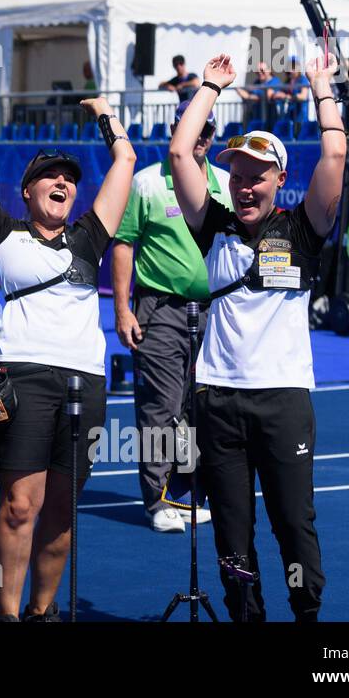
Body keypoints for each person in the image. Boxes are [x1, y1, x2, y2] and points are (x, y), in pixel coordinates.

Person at [169, 52, 345, 622]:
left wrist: (321, 89)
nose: (245, 188)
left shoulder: (302, 228)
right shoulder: (213, 225)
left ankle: (305, 614)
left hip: (283, 400)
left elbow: (336, 153)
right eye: (237, 177)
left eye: (257, 177)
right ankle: (246, 616)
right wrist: (210, 88)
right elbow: (180, 152)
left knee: (294, 524)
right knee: (232, 534)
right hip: (217, 399)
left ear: (280, 179)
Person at [0, 87, 137, 620]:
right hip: (24, 378)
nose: (63, 182)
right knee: (19, 507)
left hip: (85, 384)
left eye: (70, 179)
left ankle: (43, 611)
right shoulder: (3, 236)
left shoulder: (89, 238)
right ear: (27, 190)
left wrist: (104, 112)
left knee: (61, 512)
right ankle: (8, 614)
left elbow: (125, 159)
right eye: (51, 176)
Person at [113, 100, 229, 532]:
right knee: (160, 406)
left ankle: (188, 492)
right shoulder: (146, 183)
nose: (201, 138)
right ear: (176, 130)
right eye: (193, 128)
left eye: (207, 131)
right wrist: (122, 308)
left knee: (200, 407)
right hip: (159, 309)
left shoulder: (227, 184)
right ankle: (158, 499)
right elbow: (123, 244)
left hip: (215, 314)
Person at [235, 63, 282, 127]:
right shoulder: (257, 82)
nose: (259, 73)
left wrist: (249, 96)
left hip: (271, 118)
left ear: (269, 70)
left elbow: (266, 95)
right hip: (256, 118)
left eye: (262, 70)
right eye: (257, 71)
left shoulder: (275, 81)